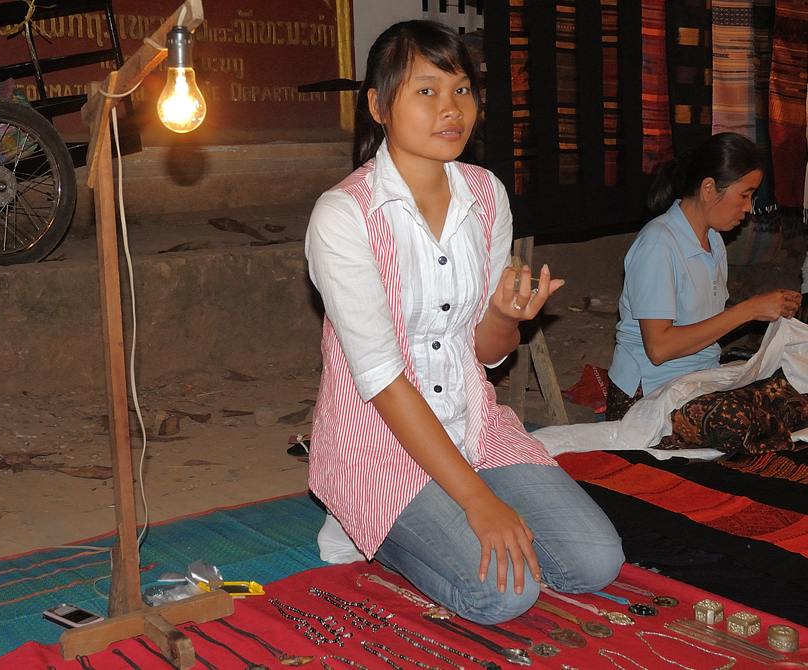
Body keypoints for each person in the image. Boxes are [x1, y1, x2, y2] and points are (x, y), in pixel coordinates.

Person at [305, 20, 623, 625]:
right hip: (383, 441)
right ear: (378, 104)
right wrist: (478, 501)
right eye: (426, 91)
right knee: (505, 594)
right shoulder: (344, 216)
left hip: (472, 424)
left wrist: (506, 316)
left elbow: (484, 352)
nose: (450, 109)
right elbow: (382, 379)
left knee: (594, 563)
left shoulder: (485, 195)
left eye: (461, 90)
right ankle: (368, 519)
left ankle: (445, 514)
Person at [606, 132, 802, 421]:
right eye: (744, 195)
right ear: (709, 188)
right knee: (741, 419)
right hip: (648, 393)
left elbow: (701, 323)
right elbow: (659, 348)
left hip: (699, 380)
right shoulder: (658, 244)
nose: (748, 208)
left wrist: (764, 310)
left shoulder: (713, 240)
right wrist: (748, 310)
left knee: (793, 395)